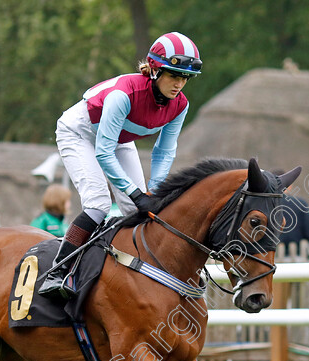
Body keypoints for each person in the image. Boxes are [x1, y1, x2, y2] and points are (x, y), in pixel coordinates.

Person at [39, 31, 203, 298]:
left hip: (118, 137)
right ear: (154, 70)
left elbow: (163, 152)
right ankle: (58, 271)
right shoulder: (124, 94)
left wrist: (154, 192)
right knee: (98, 204)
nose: (179, 84)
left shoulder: (180, 105)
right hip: (80, 133)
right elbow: (103, 153)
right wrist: (137, 193)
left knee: (135, 210)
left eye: (185, 77)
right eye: (174, 75)